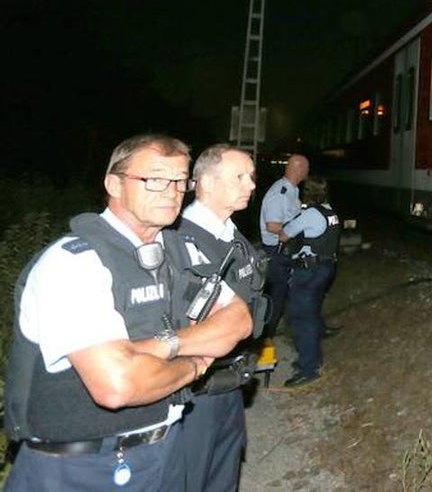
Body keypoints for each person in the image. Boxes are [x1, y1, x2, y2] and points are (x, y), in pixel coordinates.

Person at [4, 134, 252, 491]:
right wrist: (194, 364)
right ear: (114, 184)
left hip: (164, 452)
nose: (170, 191)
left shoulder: (180, 253)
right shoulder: (74, 264)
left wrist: (161, 346)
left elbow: (238, 319)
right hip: (78, 469)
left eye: (180, 181)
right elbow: (119, 385)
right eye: (154, 179)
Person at [173, 144, 268, 492]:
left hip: (230, 382)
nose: (251, 185)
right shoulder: (179, 240)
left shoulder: (232, 236)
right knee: (191, 476)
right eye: (239, 177)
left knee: (224, 473)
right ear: (207, 183)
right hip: (194, 389)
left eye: (251, 177)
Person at [279, 177, 342, 388]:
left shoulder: (311, 214)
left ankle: (309, 369)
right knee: (312, 311)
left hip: (309, 271)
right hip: (326, 268)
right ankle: (312, 356)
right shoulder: (329, 211)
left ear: (308, 193)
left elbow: (284, 235)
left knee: (301, 319)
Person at [257, 154, 308, 339]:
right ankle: (265, 338)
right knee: (276, 298)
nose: (307, 172)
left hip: (286, 251)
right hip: (276, 253)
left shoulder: (292, 191)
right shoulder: (281, 193)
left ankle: (279, 330)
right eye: (306, 168)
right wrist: (299, 230)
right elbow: (272, 225)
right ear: (299, 169)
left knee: (285, 294)